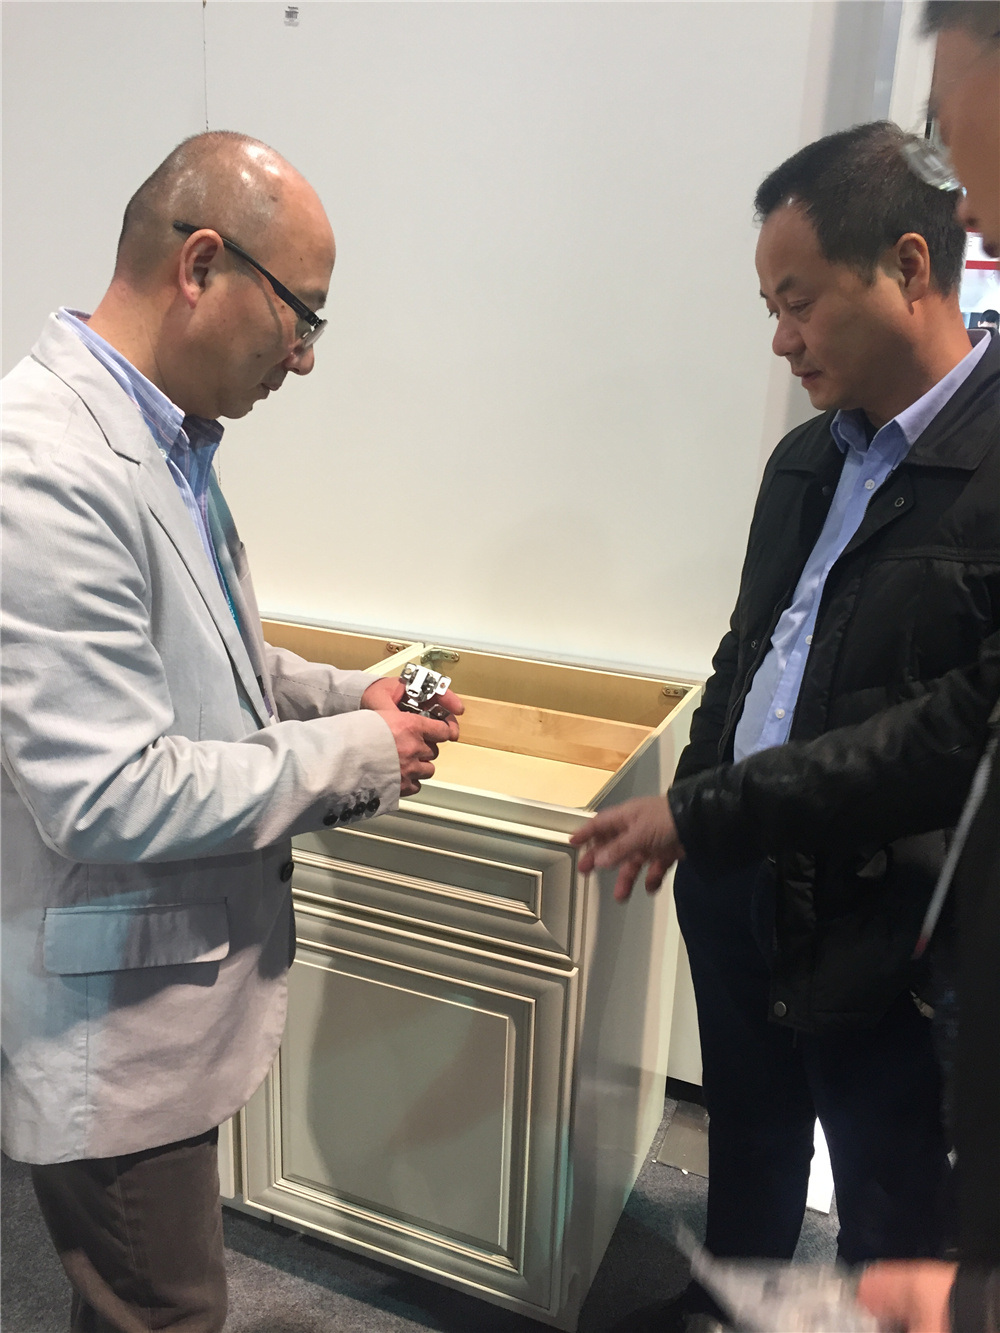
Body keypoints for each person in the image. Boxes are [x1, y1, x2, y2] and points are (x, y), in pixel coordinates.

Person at [0, 131, 464, 1333]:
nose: (303, 357)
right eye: (300, 315)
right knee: (167, 1311)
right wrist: (359, 754)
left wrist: (343, 697)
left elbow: (208, 655)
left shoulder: (166, 440)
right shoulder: (43, 467)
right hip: (111, 1027)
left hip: (161, 990)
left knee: (135, 1305)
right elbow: (107, 788)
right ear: (202, 263)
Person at [575, 118, 999, 1333]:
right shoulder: (805, 458)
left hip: (890, 927)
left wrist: (706, 807)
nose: (779, 337)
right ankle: (723, 1305)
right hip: (740, 881)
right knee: (749, 1141)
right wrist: (699, 801)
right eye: (770, 305)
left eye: (797, 302)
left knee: (888, 1206)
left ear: (907, 267)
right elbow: (747, 647)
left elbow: (953, 736)